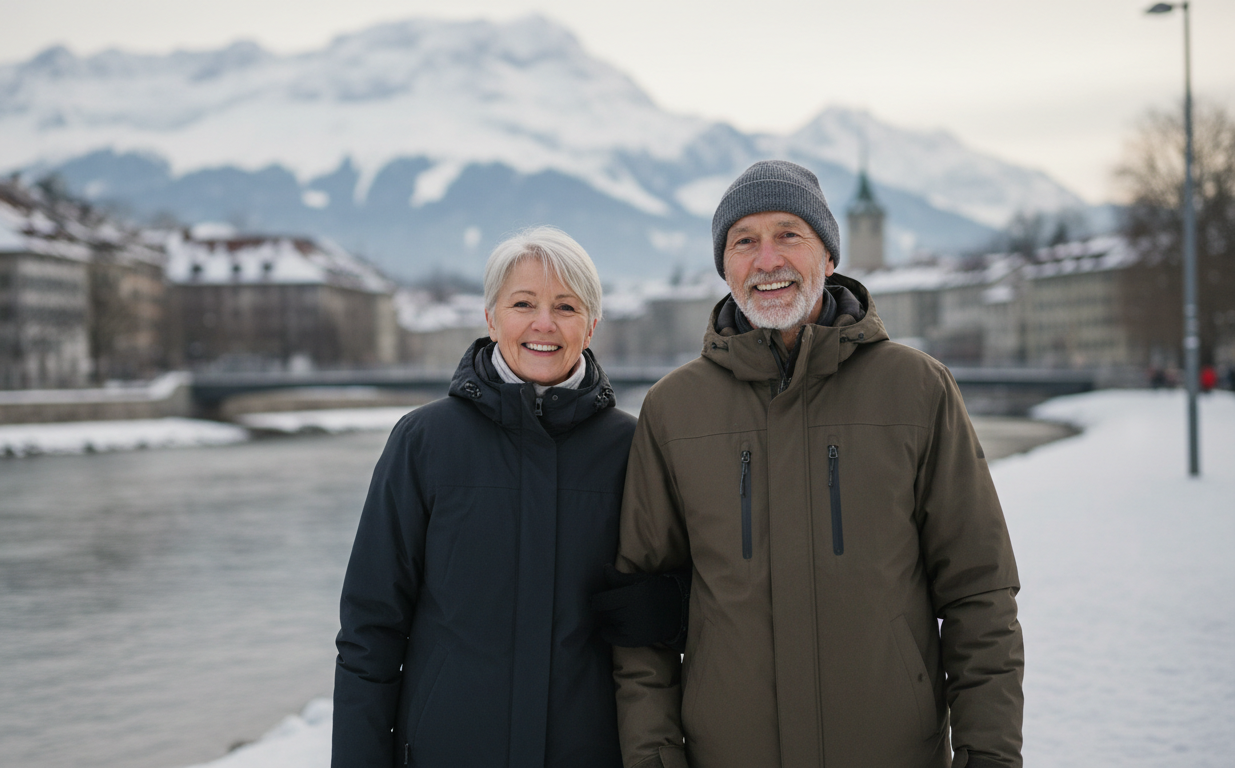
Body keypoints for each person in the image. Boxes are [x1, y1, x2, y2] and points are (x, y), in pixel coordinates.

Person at [612, 161, 1024, 768]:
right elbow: (641, 617)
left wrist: (989, 757)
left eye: (789, 235)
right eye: (744, 241)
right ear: (725, 267)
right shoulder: (674, 409)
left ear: (829, 256)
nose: (767, 259)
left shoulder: (916, 390)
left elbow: (979, 596)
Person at [331, 226, 637, 768]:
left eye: (566, 306)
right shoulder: (423, 442)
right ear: (492, 317)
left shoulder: (632, 449)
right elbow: (369, 631)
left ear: (591, 326)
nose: (543, 323)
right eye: (523, 303)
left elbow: (672, 610)